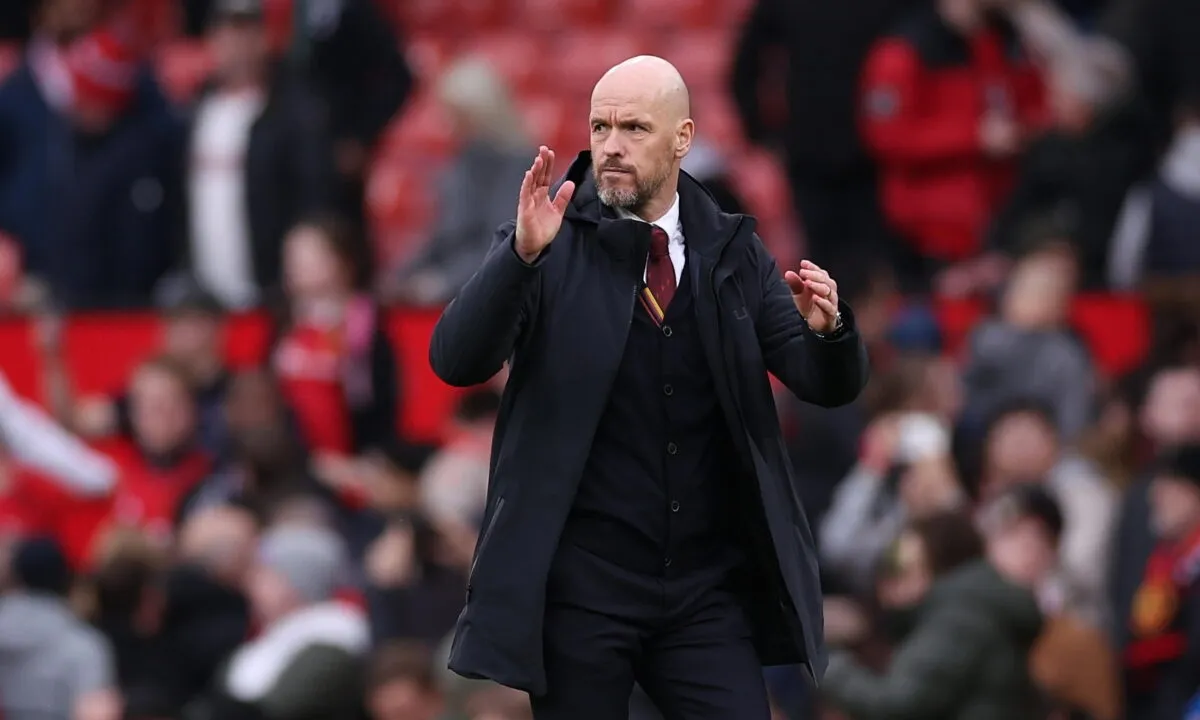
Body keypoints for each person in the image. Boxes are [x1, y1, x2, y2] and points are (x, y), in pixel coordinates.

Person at [429, 56, 869, 719]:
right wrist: (518, 258)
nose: (611, 146)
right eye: (600, 127)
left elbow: (823, 382)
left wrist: (830, 332)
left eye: (633, 128)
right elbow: (456, 359)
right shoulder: (548, 238)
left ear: (682, 138)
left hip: (703, 589)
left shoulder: (733, 251)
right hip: (581, 589)